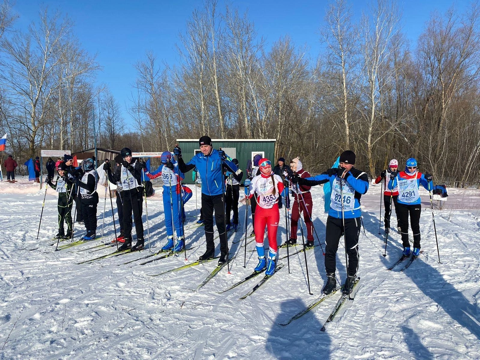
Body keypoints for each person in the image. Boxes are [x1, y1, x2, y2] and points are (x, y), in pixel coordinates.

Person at [293, 150, 369, 295]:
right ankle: (331, 279)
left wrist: (347, 176)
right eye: (341, 162)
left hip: (351, 217)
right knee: (330, 249)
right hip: (334, 216)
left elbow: (363, 188)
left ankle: (351, 276)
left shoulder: (360, 174)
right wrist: (300, 180)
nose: (342, 165)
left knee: (351, 249)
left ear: (352, 164)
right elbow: (315, 179)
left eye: (346, 163)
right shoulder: (334, 173)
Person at [175, 136, 240, 265]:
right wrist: (179, 157)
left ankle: (224, 252)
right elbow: (183, 169)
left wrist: (226, 161)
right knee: (208, 223)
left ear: (211, 145)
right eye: (201, 146)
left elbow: (237, 171)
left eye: (206, 146)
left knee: (220, 222)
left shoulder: (219, 155)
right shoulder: (198, 158)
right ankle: (209, 250)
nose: (203, 149)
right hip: (206, 195)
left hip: (218, 194)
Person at [388, 158, 433, 257]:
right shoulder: (400, 175)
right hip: (402, 203)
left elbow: (429, 188)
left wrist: (429, 181)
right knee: (404, 225)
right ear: (406, 166)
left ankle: (417, 246)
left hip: (415, 203)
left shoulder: (419, 175)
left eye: (414, 167)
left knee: (415, 225)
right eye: (410, 167)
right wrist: (392, 178)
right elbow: (391, 187)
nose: (412, 169)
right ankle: (406, 246)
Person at [247, 158, 284, 276]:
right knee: (259, 237)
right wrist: (247, 189)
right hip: (260, 211)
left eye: (269, 166)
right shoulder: (256, 179)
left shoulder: (276, 178)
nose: (268, 169)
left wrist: (286, 189)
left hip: (273, 211)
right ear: (260, 168)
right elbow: (249, 196)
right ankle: (262, 260)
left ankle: (272, 261)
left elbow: (283, 192)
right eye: (265, 167)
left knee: (272, 237)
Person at [105, 148, 146, 251]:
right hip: (126, 193)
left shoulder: (135, 163)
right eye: (126, 156)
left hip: (135, 192)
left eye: (130, 155)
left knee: (137, 217)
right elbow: (115, 180)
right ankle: (127, 240)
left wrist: (130, 167)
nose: (129, 158)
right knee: (126, 218)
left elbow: (138, 176)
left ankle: (140, 241)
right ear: (123, 157)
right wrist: (108, 170)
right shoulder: (121, 167)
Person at [146, 151, 186, 252]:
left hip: (175, 192)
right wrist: (145, 169)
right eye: (162, 162)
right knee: (168, 218)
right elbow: (152, 176)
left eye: (165, 162)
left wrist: (173, 169)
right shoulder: (162, 167)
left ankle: (180, 240)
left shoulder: (176, 165)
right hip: (166, 193)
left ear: (169, 159)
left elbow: (182, 177)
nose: (164, 164)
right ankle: (170, 240)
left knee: (176, 218)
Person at [286, 157, 314, 247]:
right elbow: (292, 187)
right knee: (294, 218)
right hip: (297, 199)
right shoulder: (293, 174)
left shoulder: (305, 174)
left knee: (307, 219)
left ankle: (310, 240)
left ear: (298, 165)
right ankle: (293, 238)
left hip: (306, 198)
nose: (292, 168)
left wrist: (300, 181)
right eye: (291, 166)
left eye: (293, 166)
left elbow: (308, 187)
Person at [46, 162, 74, 239]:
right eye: (59, 171)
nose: (61, 172)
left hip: (68, 198)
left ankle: (69, 232)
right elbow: (56, 188)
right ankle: (61, 232)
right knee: (60, 216)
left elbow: (72, 184)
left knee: (67, 216)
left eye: (62, 171)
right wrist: (49, 183)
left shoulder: (69, 175)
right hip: (61, 199)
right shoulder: (59, 178)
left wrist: (68, 181)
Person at [74, 158, 99, 240]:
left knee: (91, 216)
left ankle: (92, 231)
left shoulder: (92, 173)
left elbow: (90, 187)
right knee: (85, 216)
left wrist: (79, 183)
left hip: (90, 198)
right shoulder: (86, 173)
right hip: (84, 198)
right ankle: (88, 230)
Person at [375, 159, 400, 233]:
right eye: (392, 167)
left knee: (399, 210)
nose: (394, 168)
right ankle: (387, 226)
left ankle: (400, 226)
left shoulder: (399, 173)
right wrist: (381, 175)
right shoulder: (385, 172)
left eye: (395, 167)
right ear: (389, 166)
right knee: (388, 210)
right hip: (387, 193)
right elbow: (377, 181)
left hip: (396, 193)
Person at [105, 156, 126, 242]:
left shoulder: (124, 169)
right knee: (120, 214)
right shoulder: (118, 169)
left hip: (126, 194)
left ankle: (126, 234)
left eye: (117, 163)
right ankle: (123, 232)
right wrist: (108, 170)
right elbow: (113, 180)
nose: (117, 165)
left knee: (125, 214)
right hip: (120, 192)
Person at [63, 154, 84, 225]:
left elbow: (78, 174)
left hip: (75, 188)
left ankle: (80, 218)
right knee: (68, 204)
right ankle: (67, 218)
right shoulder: (63, 167)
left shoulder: (72, 167)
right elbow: (67, 175)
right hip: (68, 189)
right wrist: (74, 171)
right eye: (70, 160)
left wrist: (80, 172)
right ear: (67, 161)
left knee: (79, 203)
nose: (72, 161)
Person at [225, 158, 243, 232]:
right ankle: (227, 222)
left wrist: (234, 173)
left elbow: (239, 179)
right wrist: (226, 174)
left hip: (235, 187)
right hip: (229, 187)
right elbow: (224, 176)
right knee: (228, 206)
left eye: (235, 165)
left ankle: (235, 221)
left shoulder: (239, 171)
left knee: (235, 205)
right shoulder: (228, 170)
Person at [247, 154, 262, 237]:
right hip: (253, 193)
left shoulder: (261, 169)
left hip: (259, 193)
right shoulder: (254, 169)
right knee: (253, 212)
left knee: (258, 212)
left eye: (255, 160)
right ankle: (255, 228)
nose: (254, 161)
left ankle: (259, 228)